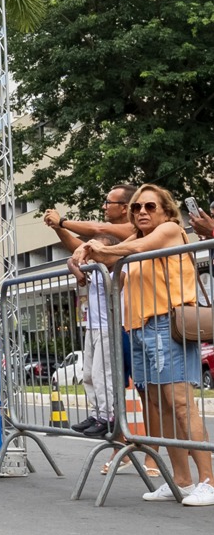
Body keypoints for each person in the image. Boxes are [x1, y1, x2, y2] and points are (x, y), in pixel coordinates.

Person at [77, 184, 214, 506]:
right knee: (160, 409)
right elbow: (110, 256)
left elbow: (121, 251)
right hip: (139, 328)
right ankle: (180, 480)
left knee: (180, 404)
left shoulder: (168, 230)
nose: (141, 212)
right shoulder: (134, 242)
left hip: (167, 323)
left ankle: (208, 480)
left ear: (167, 211)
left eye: (150, 207)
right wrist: (85, 251)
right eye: (137, 207)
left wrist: (96, 249)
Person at [49, 186, 135, 439]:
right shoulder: (98, 263)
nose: (104, 206)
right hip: (94, 325)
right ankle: (99, 414)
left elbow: (98, 236)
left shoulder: (125, 243)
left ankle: (109, 417)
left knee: (105, 374)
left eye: (109, 202)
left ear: (124, 206)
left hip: (116, 325)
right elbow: (77, 252)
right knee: (88, 374)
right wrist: (71, 256)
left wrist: (63, 223)